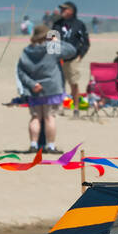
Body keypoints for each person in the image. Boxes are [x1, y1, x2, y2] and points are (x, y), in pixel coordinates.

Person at [16, 25, 74, 153]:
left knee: (35, 117)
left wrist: (32, 84)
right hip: (52, 88)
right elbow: (71, 50)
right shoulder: (52, 48)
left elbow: (20, 72)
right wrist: (57, 41)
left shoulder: (27, 51)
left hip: (35, 90)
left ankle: (33, 145)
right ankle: (50, 146)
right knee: (49, 117)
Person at [51, 1, 90, 115]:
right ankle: (61, 107)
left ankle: (76, 108)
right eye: (61, 9)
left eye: (65, 9)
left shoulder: (79, 24)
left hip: (72, 59)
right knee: (59, 84)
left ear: (71, 11)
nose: (62, 11)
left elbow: (86, 42)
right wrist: (52, 56)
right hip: (58, 59)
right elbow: (51, 40)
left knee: (73, 83)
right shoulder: (56, 24)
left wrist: (80, 56)